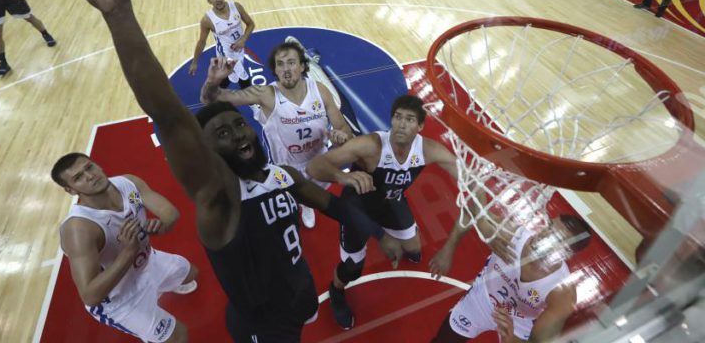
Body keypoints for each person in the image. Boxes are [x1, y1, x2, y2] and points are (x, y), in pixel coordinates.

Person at [37, 0, 401, 342]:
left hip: (301, 292)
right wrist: (117, 12)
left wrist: (380, 234)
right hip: (264, 324)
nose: (239, 134)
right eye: (222, 135)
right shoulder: (219, 200)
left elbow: (333, 205)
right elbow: (168, 113)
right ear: (208, 152)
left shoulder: (280, 175)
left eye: (238, 127)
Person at [305, 95, 462, 330]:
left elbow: (470, 186)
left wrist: (450, 247)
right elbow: (313, 166)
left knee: (414, 248)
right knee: (352, 269)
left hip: (391, 202)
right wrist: (344, 177)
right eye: (398, 117)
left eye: (409, 119)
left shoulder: (429, 150)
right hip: (358, 209)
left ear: (420, 127)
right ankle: (336, 290)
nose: (401, 124)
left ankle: (399, 237)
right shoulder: (371, 145)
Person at [201, 40, 354, 229]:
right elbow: (209, 98)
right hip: (287, 167)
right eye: (280, 64)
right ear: (275, 70)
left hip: (319, 163)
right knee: (287, 202)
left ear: (302, 66)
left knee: (321, 200)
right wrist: (213, 81)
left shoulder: (320, 91)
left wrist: (342, 137)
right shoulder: (266, 93)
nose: (286, 69)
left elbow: (344, 128)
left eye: (291, 62)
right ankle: (298, 202)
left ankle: (306, 204)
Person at [54, 153, 199, 342]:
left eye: (89, 167)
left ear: (97, 165)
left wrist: (161, 226)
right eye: (78, 178)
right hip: (118, 298)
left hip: (146, 262)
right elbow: (90, 295)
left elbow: (171, 214)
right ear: (70, 190)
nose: (90, 176)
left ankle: (158, 288)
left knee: (191, 273)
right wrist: (129, 252)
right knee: (179, 337)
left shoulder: (128, 183)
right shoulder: (79, 229)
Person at [430, 214, 592, 343]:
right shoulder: (513, 235)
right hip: (483, 298)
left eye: (556, 238)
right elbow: (470, 212)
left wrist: (512, 340)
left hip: (519, 321)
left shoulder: (562, 292)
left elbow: (539, 341)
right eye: (549, 226)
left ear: (567, 254)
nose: (544, 235)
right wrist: (448, 249)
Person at [188, 0, 255, 90]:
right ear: (209, 1)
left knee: (231, 77)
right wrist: (195, 62)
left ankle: (213, 92)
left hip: (239, 48)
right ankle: (253, 103)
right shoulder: (207, 20)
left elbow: (251, 24)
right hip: (225, 53)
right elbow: (201, 42)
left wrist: (243, 39)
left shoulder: (236, 6)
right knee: (242, 75)